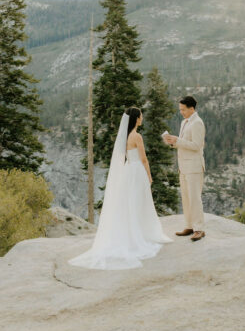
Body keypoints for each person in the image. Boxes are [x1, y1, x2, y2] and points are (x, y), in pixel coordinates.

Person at [69, 107, 172, 269]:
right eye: (141, 116)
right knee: (139, 203)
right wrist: (149, 176)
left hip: (128, 170)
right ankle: (140, 235)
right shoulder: (137, 136)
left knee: (130, 203)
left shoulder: (125, 137)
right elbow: (144, 159)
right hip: (137, 170)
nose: (142, 118)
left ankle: (132, 233)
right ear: (137, 119)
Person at [163, 95, 206, 241]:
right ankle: (189, 225)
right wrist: (172, 142)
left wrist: (178, 140)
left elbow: (196, 145)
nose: (181, 112)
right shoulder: (184, 122)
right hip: (184, 166)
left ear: (191, 108)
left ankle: (199, 228)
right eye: (180, 109)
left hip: (194, 166)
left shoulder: (197, 123)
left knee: (195, 198)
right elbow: (183, 143)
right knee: (186, 198)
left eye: (183, 109)